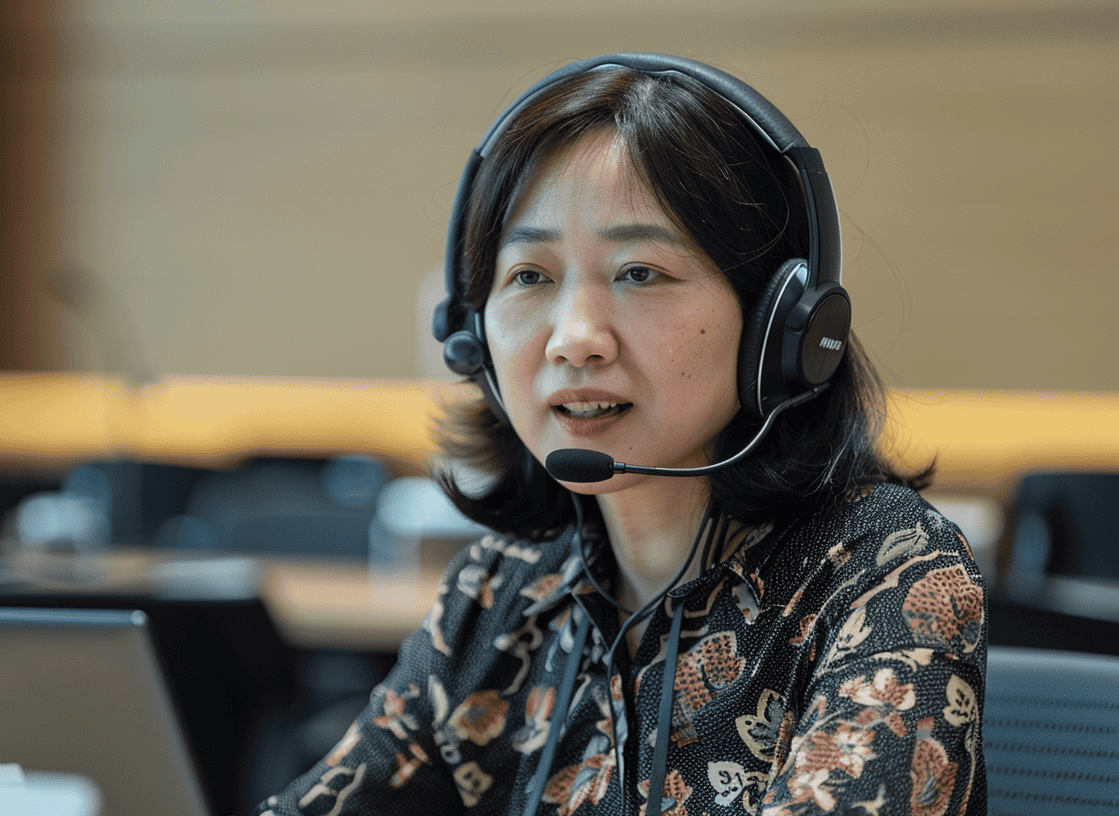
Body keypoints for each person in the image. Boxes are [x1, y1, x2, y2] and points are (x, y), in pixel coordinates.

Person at [255, 54, 986, 816]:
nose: (574, 340)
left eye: (639, 272)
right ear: (473, 336)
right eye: (530, 277)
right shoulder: (499, 594)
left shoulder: (888, 573)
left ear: (782, 328)